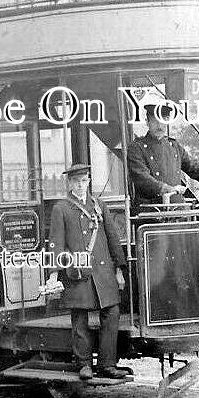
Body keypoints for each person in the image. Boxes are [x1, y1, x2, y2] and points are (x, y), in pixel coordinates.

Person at [46, 163, 128, 380]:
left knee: (112, 313)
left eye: (84, 181)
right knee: (80, 318)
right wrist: (54, 273)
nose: (81, 185)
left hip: (103, 272)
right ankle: (84, 364)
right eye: (76, 181)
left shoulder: (99, 205)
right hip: (79, 271)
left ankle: (107, 364)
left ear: (89, 181)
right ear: (70, 183)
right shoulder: (61, 208)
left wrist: (119, 269)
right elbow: (56, 243)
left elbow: (112, 237)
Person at [127, 102, 199, 208]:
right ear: (147, 122)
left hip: (178, 211)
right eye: (155, 121)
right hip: (151, 214)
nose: (159, 126)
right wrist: (168, 189)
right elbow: (142, 178)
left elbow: (196, 168)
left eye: (163, 120)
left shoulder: (174, 146)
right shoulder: (137, 148)